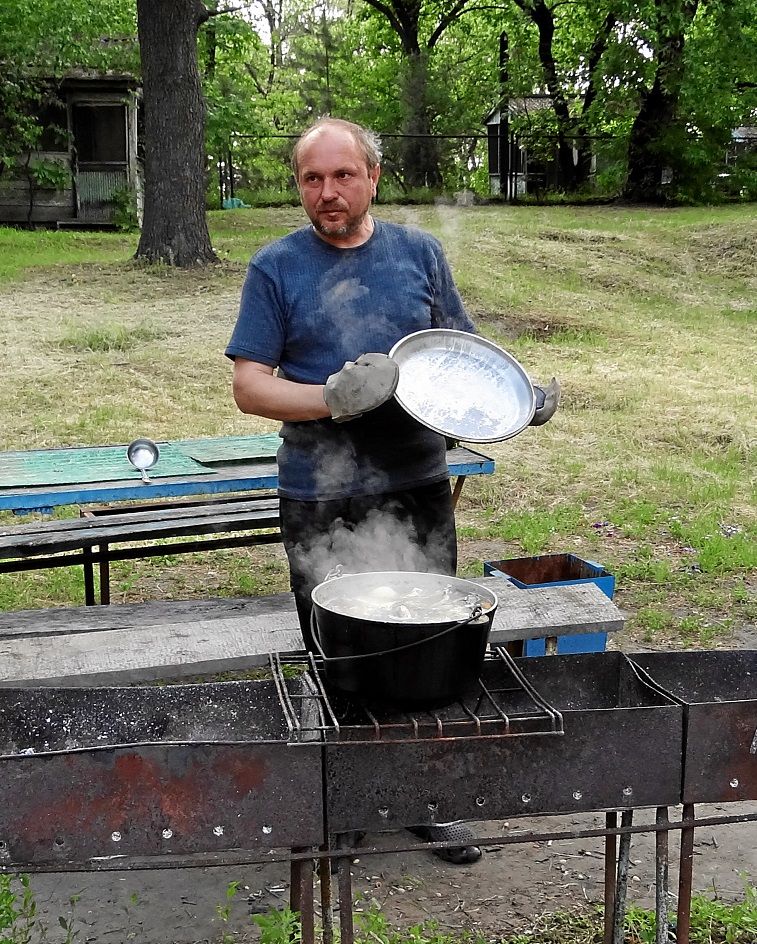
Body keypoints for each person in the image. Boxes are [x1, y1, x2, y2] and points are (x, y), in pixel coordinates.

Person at [226, 117, 558, 866]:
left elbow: (461, 359)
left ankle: (419, 799)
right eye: (312, 179)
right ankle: (341, 799)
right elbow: (250, 387)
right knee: (336, 652)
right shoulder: (275, 266)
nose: (327, 192)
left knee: (424, 647)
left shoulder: (418, 253)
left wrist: (514, 399)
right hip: (319, 490)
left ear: (373, 177)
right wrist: (332, 399)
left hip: (414, 482)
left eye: (342, 176)